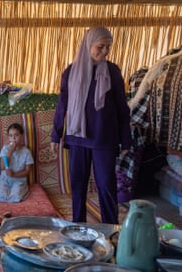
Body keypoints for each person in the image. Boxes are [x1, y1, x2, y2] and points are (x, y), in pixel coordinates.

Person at [50, 26, 132, 224]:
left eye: (108, 47)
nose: (104, 52)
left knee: (106, 185)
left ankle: (111, 229)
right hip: (78, 137)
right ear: (88, 45)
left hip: (104, 138)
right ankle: (78, 227)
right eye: (100, 46)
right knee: (78, 185)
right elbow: (63, 104)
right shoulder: (71, 72)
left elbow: (122, 107)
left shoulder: (112, 72)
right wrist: (56, 134)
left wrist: (126, 140)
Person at [0, 123, 34, 202]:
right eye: (11, 136)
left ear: (22, 136)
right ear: (8, 137)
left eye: (16, 135)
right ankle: (8, 198)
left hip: (19, 180)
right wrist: (10, 152)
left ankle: (16, 196)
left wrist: (14, 174)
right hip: (5, 179)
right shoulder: (5, 149)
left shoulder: (26, 152)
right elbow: (2, 167)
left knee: (16, 195)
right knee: (1, 195)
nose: (13, 138)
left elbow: (27, 171)